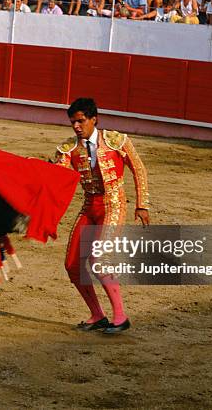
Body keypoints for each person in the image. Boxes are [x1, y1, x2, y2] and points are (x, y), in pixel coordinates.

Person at [53, 97, 150, 334]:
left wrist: (142, 204)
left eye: (80, 121)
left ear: (94, 119)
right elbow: (56, 175)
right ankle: (97, 315)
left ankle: (121, 316)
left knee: (98, 260)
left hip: (114, 205)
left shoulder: (116, 141)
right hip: (89, 207)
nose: (76, 126)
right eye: (72, 122)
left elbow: (138, 169)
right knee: (72, 265)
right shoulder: (69, 149)